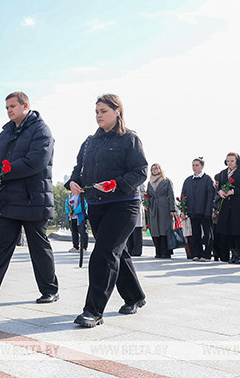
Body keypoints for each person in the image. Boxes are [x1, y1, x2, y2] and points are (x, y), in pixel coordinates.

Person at [0, 92, 59, 307]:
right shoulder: (5, 132)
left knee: (38, 246)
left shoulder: (41, 130)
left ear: (25, 106)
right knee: (2, 245)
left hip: (33, 198)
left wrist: (2, 172)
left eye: (13, 106)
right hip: (8, 198)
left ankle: (50, 289)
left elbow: (36, 161)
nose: (9, 111)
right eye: (7, 107)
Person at [64, 93, 148, 328]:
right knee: (117, 253)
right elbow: (78, 168)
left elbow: (140, 171)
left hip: (124, 205)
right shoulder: (89, 142)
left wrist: (117, 183)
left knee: (103, 254)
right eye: (97, 112)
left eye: (104, 111)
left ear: (117, 111)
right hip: (97, 206)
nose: (99, 116)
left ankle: (93, 311)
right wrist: (72, 182)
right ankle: (135, 297)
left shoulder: (130, 139)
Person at [215, 153, 240, 265]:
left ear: (237, 161)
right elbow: (220, 186)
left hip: (238, 205)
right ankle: (233, 253)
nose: (229, 163)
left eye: (232, 161)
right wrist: (220, 191)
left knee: (238, 230)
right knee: (227, 230)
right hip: (226, 205)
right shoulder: (222, 173)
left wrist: (234, 192)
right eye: (228, 161)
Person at [181, 157, 216, 262]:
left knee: (207, 234)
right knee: (195, 234)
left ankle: (207, 254)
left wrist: (208, 211)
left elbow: (211, 197)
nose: (194, 167)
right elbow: (183, 196)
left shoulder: (208, 179)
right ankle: (197, 253)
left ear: (202, 166)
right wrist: (184, 210)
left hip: (205, 212)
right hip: (193, 212)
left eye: (197, 165)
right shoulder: (188, 180)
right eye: (193, 165)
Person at [146, 163, 176, 259]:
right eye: (152, 169)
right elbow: (147, 195)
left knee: (164, 229)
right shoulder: (149, 182)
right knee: (155, 230)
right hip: (153, 207)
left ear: (160, 169)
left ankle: (165, 252)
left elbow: (171, 195)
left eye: (156, 168)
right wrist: (147, 204)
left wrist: (172, 209)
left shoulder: (166, 181)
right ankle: (158, 251)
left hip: (164, 206)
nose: (154, 170)